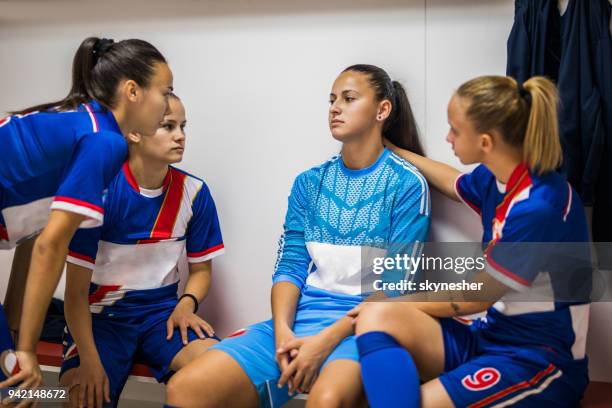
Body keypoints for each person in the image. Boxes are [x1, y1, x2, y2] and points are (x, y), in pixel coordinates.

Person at [165, 64, 431, 408]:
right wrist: (283, 334)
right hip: (299, 321)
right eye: (332, 99)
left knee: (326, 400)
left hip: (364, 327)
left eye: (348, 99)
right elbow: (290, 266)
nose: (334, 108)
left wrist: (323, 341)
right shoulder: (309, 182)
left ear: (382, 110)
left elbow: (396, 287)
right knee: (185, 388)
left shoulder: (407, 184)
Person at [350, 75, 591, 407]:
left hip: (539, 359)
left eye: (455, 130)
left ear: (486, 142)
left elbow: (474, 297)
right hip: (490, 335)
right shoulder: (498, 176)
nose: (447, 137)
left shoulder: (541, 206)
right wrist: (394, 151)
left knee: (414, 395)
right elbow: (454, 182)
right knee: (376, 317)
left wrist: (398, 300)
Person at [0, 36, 173, 391]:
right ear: (132, 91)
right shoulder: (104, 141)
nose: (168, 104)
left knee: (12, 382)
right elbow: (52, 246)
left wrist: (15, 325)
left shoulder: (86, 121)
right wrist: (28, 350)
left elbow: (35, 235)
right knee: (12, 384)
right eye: (165, 91)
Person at [59, 94, 223, 408]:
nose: (180, 136)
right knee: (80, 396)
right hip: (100, 319)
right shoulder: (100, 192)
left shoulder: (196, 193)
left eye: (183, 126)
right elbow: (75, 294)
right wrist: (91, 363)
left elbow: (201, 272)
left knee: (219, 375)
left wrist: (186, 305)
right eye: (168, 126)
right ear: (134, 132)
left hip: (162, 316)